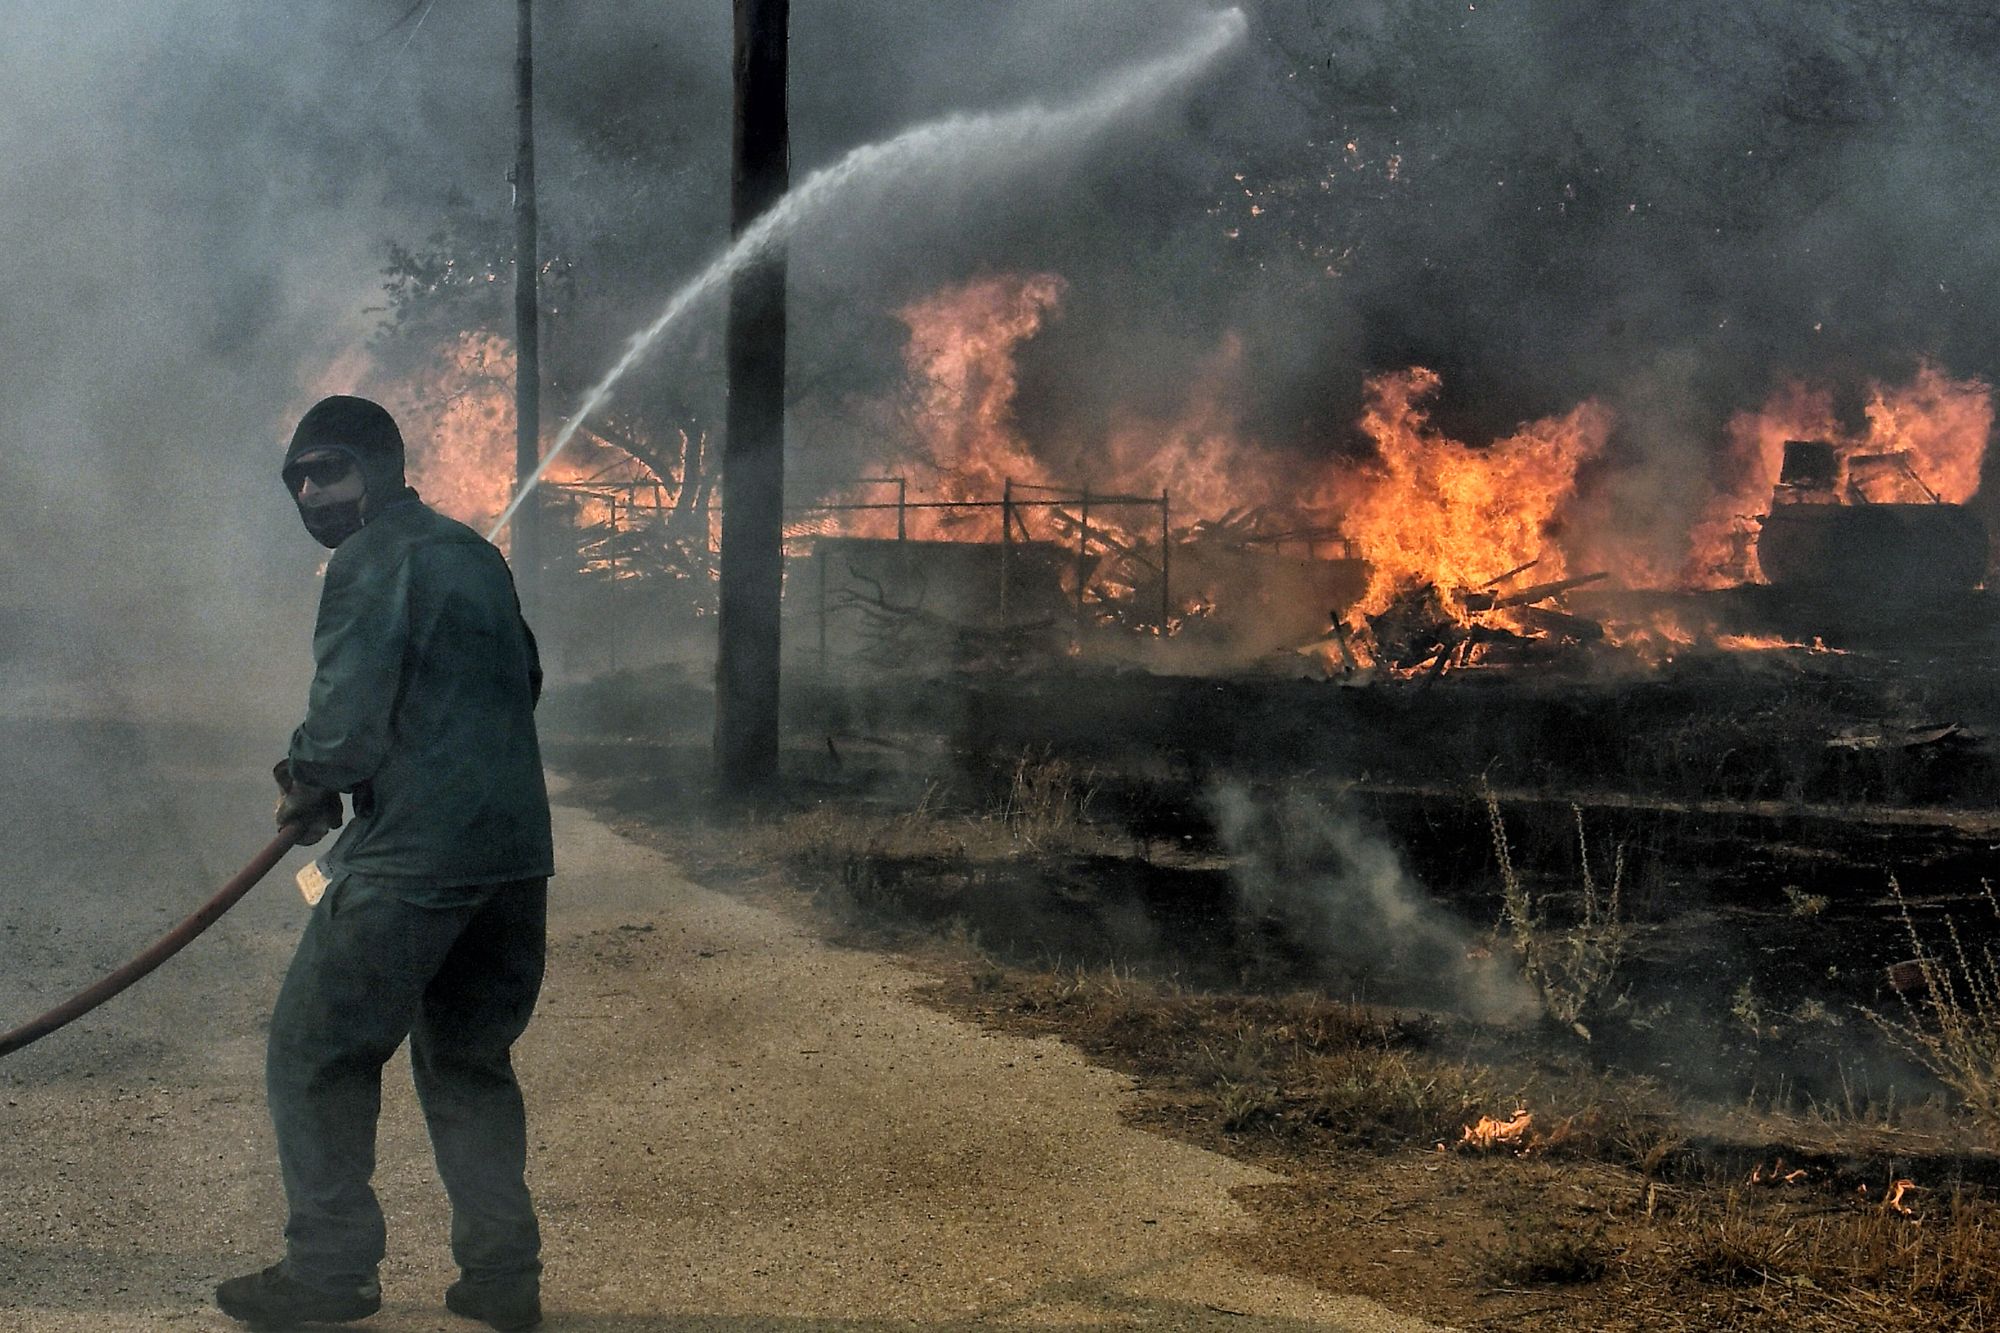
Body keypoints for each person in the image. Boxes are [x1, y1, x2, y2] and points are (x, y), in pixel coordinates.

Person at [215, 395, 554, 1333]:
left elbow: (343, 723)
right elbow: (524, 680)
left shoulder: (370, 560)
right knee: (469, 1061)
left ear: (385, 466)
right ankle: (501, 1277)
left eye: (330, 469)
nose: (313, 491)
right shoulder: (474, 554)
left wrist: (309, 778)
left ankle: (328, 1274)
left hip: (416, 857)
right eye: (299, 478)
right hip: (515, 858)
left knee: (314, 1051)